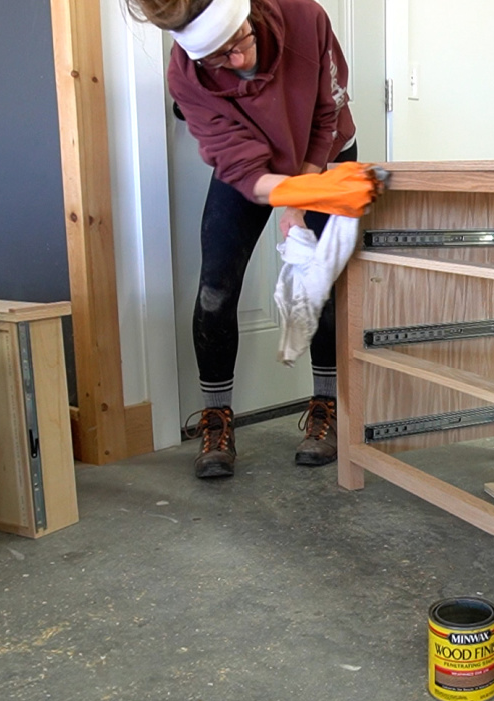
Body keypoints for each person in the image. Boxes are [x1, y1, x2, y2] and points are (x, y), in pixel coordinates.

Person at [124, 0, 380, 478]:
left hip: (325, 155)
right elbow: (240, 167)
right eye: (218, 58)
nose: (236, 61)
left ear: (248, 14)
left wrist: (301, 198)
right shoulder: (187, 77)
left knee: (321, 285)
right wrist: (286, 196)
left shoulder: (305, 17)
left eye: (239, 42)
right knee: (215, 289)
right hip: (252, 169)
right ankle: (217, 417)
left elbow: (326, 115)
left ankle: (326, 407)